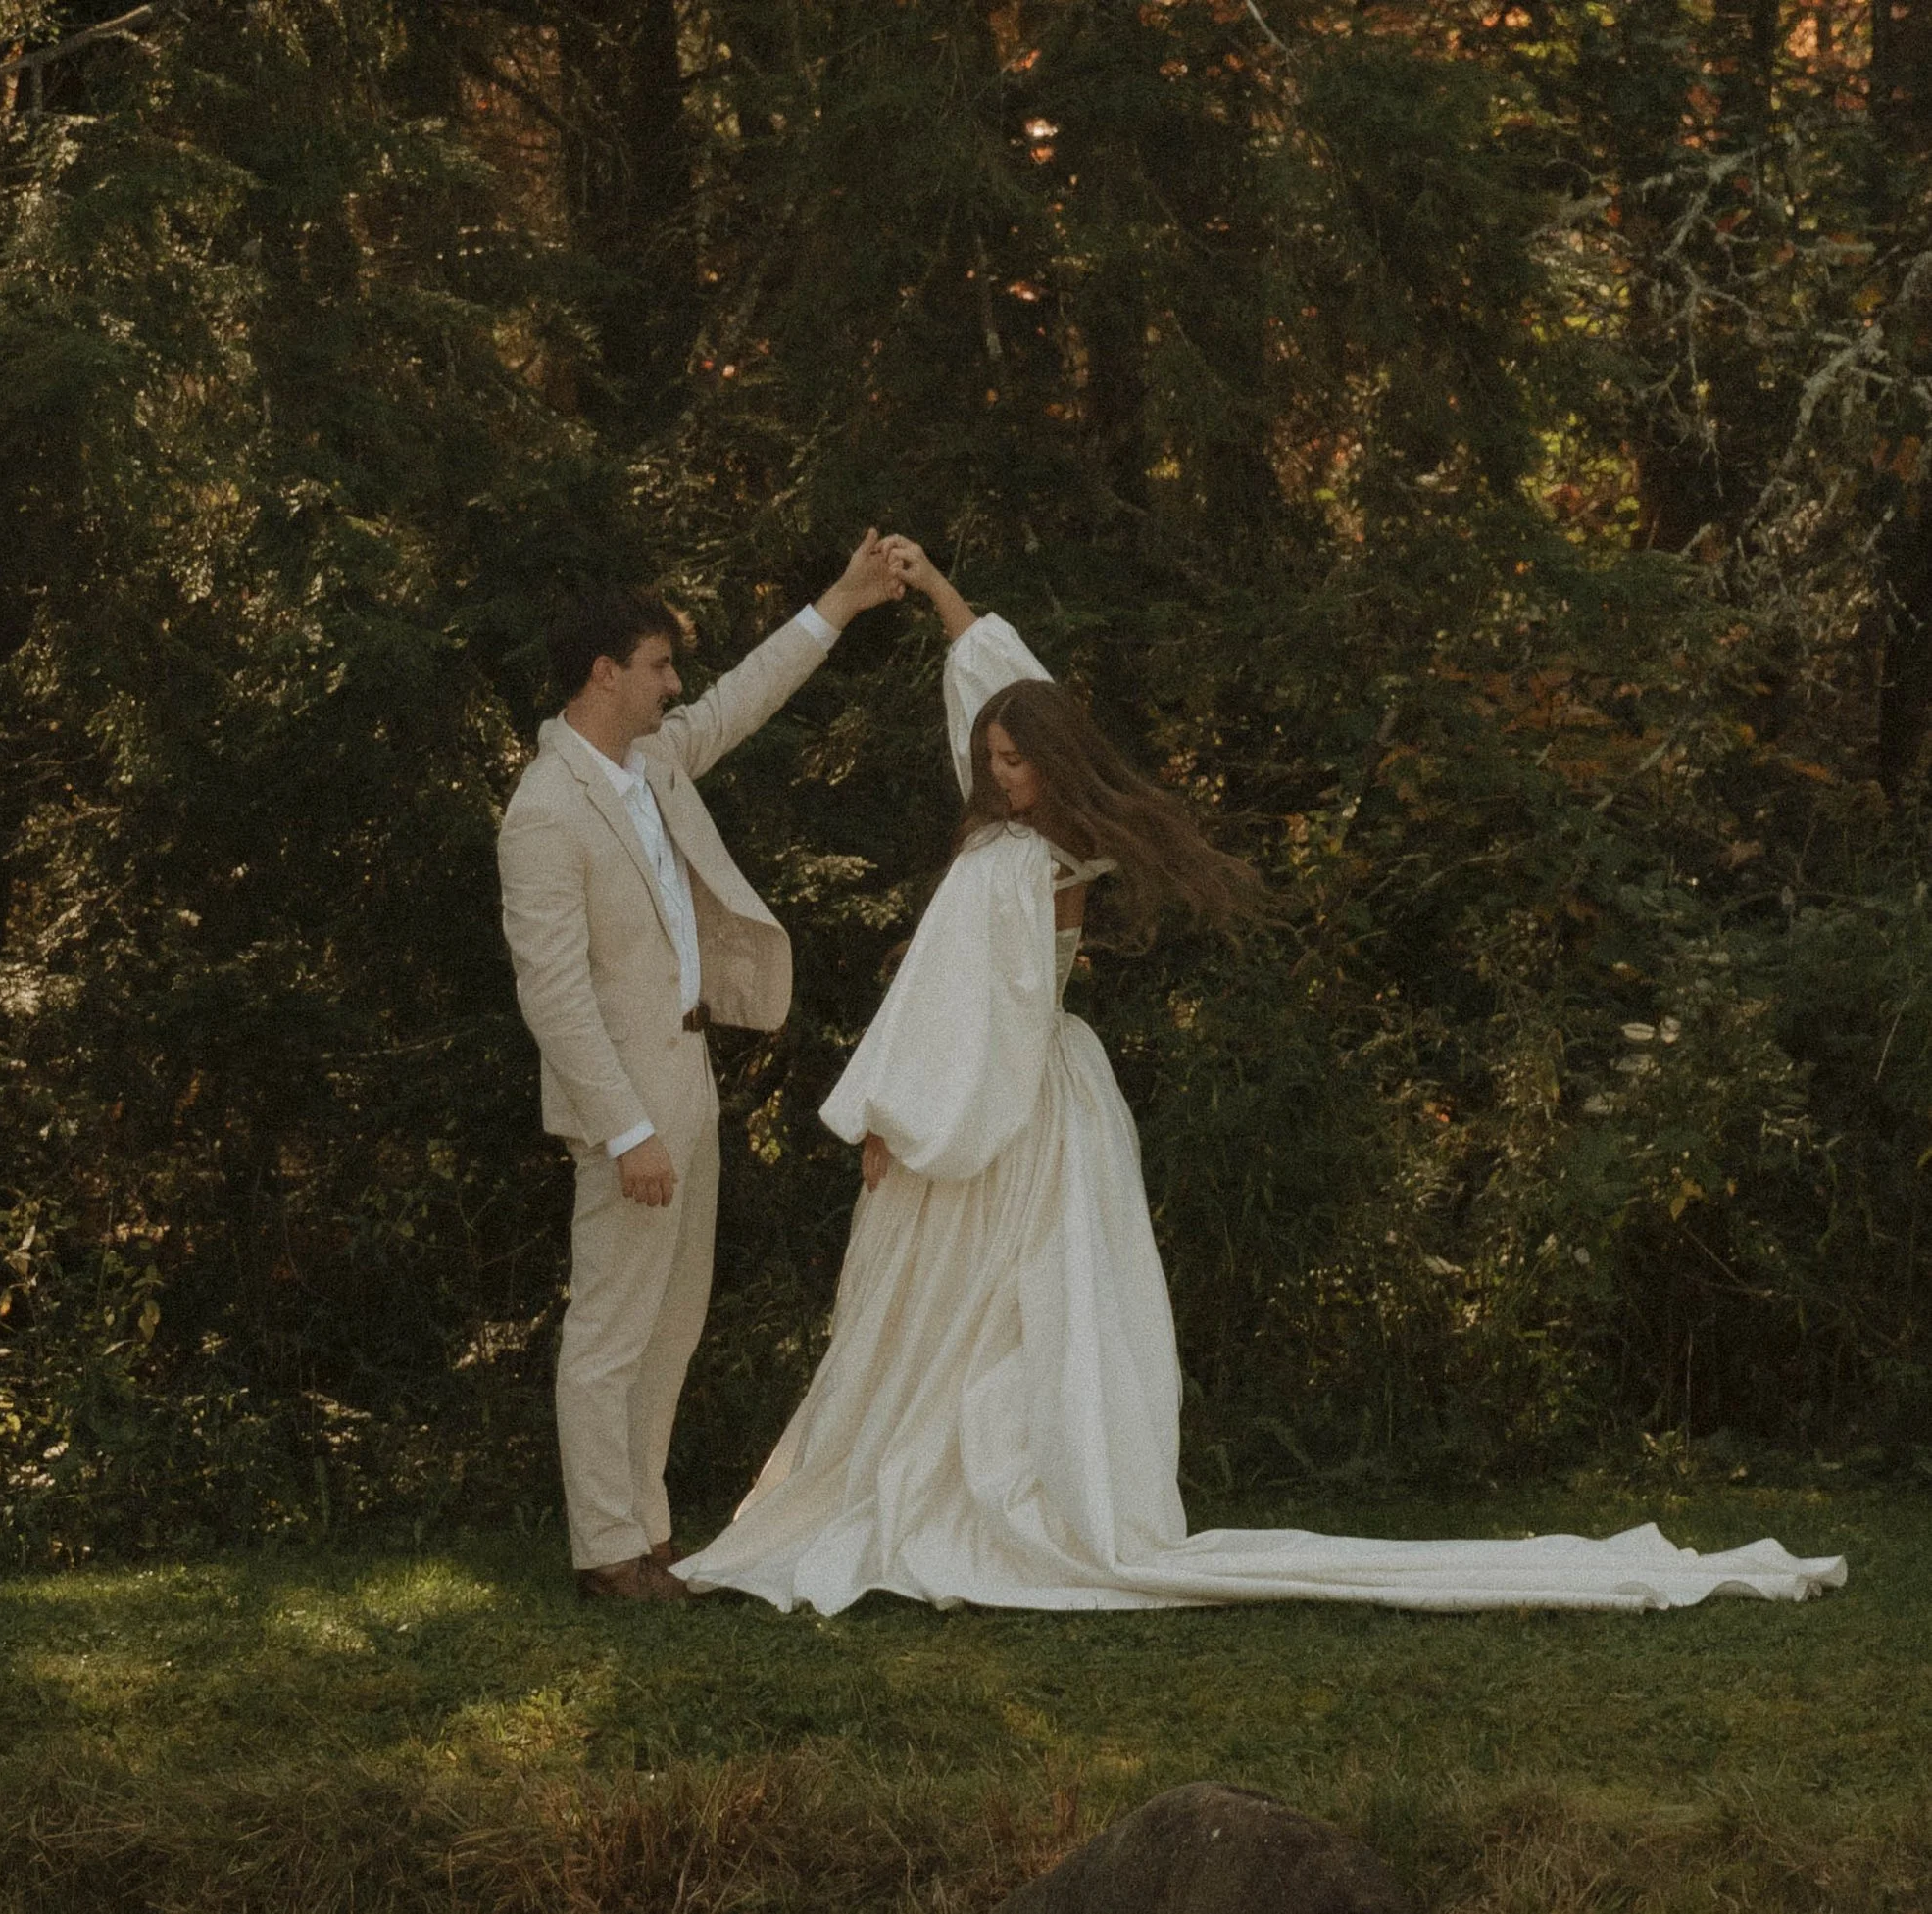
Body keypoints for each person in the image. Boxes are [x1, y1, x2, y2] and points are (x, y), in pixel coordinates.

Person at [674, 539, 1848, 1615]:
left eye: (1013, 759)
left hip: (1002, 1111)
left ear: (1047, 767)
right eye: (991, 757)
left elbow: (964, 1012)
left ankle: (988, 1500)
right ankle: (989, 1480)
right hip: (1053, 1098)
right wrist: (934, 596)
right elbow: (1004, 688)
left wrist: (892, 1121)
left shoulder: (1008, 865)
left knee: (1002, 1312)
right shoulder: (1047, 838)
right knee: (1003, 1318)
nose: (996, 769)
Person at [497, 534, 906, 1602]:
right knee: (609, 1328)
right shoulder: (545, 809)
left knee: (671, 1324)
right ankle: (602, 1553)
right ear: (604, 674)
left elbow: (743, 699)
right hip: (624, 1099)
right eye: (659, 666)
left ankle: (647, 1534)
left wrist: (846, 601)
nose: (677, 685)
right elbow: (553, 991)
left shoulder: (652, 764)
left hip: (689, 1073)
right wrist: (624, 1128)